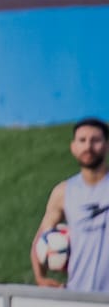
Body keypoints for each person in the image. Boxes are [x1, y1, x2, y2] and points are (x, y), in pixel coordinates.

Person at [31, 117, 109, 292]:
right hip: (77, 296)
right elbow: (40, 240)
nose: (88, 146)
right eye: (82, 140)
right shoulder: (63, 192)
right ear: (73, 147)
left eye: (95, 140)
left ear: (106, 145)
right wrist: (40, 278)